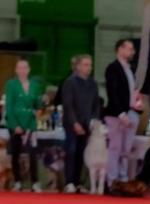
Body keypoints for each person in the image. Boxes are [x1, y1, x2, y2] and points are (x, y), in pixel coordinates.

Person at [60, 53, 101, 193]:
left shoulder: (93, 84)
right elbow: (68, 104)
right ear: (78, 66)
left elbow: (96, 104)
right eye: (85, 64)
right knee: (71, 151)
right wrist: (74, 123)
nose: (89, 68)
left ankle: (78, 182)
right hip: (72, 123)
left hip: (87, 123)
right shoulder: (69, 82)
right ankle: (69, 181)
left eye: (90, 65)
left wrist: (93, 121)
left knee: (82, 153)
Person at [104, 39, 141, 189]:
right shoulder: (112, 68)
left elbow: (132, 91)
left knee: (126, 149)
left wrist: (137, 105)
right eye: (130, 49)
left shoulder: (131, 69)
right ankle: (113, 180)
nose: (133, 52)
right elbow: (112, 92)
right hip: (116, 114)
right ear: (120, 49)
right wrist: (121, 113)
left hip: (131, 111)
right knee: (115, 148)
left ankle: (123, 178)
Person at [4, 58, 43, 192]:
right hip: (15, 122)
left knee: (33, 153)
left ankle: (35, 182)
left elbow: (37, 105)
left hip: (30, 123)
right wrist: (15, 125)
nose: (22, 70)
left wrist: (41, 101)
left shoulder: (35, 85)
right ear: (16, 70)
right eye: (20, 68)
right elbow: (9, 105)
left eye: (25, 68)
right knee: (16, 153)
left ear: (29, 70)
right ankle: (17, 181)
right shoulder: (11, 84)